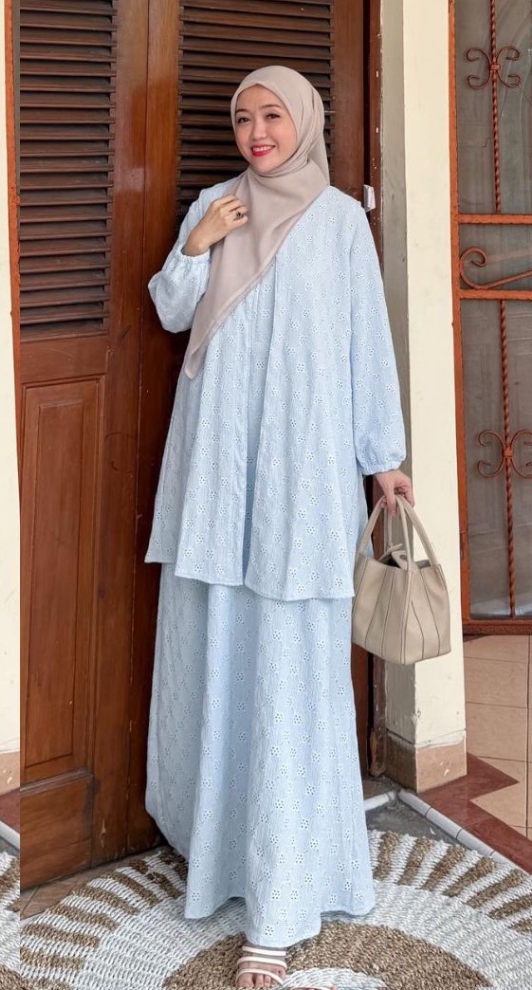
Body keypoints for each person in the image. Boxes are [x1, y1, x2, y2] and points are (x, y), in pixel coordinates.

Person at [143, 66, 412, 990]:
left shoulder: (338, 221)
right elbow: (170, 311)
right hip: (220, 471)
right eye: (243, 118)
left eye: (272, 116)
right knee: (220, 654)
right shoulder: (216, 206)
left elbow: (366, 344)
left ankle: (286, 892)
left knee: (292, 667)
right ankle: (225, 854)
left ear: (304, 123)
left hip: (301, 476)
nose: (257, 132)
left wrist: (384, 457)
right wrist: (197, 243)